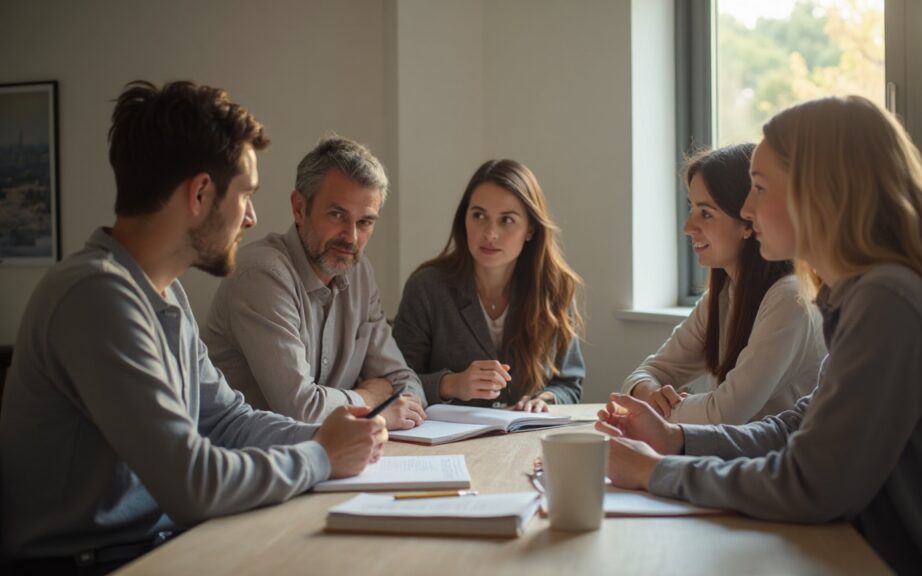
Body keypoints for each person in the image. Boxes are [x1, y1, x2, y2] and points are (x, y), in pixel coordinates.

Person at [596, 95, 922, 574]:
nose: (746, 208)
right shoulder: (860, 292)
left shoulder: (889, 301)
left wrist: (656, 471)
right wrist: (675, 439)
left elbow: (810, 485)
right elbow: (798, 425)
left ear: (819, 192)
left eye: (758, 188)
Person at [0, 81, 387, 574]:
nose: (251, 217)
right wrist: (321, 456)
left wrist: (328, 434)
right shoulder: (96, 296)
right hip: (96, 563)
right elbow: (192, 484)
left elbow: (226, 421)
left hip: (160, 545)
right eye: (246, 193)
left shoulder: (165, 292)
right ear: (201, 193)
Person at [203, 136, 427, 430]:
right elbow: (300, 408)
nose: (351, 237)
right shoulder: (261, 275)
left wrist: (396, 403)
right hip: (252, 461)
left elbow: (406, 383)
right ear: (299, 208)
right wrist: (371, 400)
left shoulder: (359, 272)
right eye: (337, 215)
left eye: (365, 222)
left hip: (330, 458)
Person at [621, 144, 824, 424]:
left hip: (776, 463)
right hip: (738, 459)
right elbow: (645, 373)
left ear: (748, 222)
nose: (687, 227)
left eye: (705, 213)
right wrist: (649, 391)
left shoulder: (790, 298)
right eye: (692, 208)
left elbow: (725, 413)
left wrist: (659, 408)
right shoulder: (724, 295)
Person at [393, 159, 584, 412]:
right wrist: (451, 384)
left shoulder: (555, 288)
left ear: (530, 229)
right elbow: (396, 382)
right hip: (450, 441)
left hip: (524, 438)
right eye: (479, 215)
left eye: (507, 220)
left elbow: (569, 383)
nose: (490, 233)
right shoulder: (427, 288)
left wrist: (545, 399)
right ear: (464, 219)